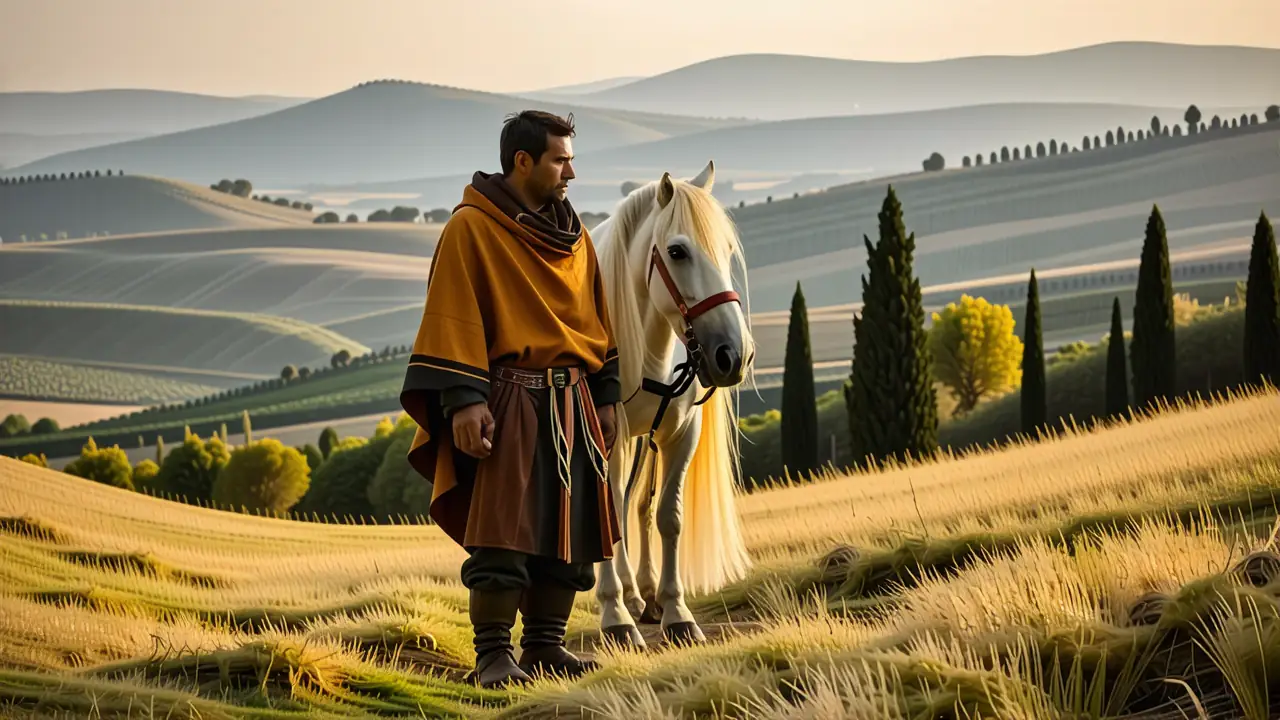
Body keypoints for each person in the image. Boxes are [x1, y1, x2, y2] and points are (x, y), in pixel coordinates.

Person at [399, 110, 623, 688]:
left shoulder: (574, 236)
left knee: (569, 532)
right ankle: (492, 657)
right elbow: (452, 315)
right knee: (502, 533)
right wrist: (463, 400)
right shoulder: (470, 229)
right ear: (523, 161)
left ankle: (546, 646)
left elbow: (595, 318)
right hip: (507, 402)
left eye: (570, 157)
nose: (571, 170)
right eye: (560, 158)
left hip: (572, 403)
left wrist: (604, 394)